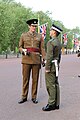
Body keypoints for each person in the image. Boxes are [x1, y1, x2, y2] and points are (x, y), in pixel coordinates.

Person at [18, 18, 45, 104]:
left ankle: (34, 97)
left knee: (35, 79)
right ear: (29, 26)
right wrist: (23, 50)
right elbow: (20, 47)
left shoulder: (39, 36)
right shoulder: (23, 35)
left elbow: (42, 48)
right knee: (25, 79)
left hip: (36, 60)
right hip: (26, 60)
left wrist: (44, 58)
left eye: (35, 26)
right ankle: (24, 96)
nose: (34, 28)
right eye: (32, 26)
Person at [42, 24, 63, 111]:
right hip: (56, 65)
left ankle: (51, 104)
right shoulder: (58, 42)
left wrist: (47, 67)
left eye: (51, 30)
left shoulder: (51, 42)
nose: (49, 32)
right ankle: (57, 103)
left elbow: (49, 56)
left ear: (54, 32)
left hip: (51, 66)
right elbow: (59, 56)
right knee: (56, 84)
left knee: (50, 85)